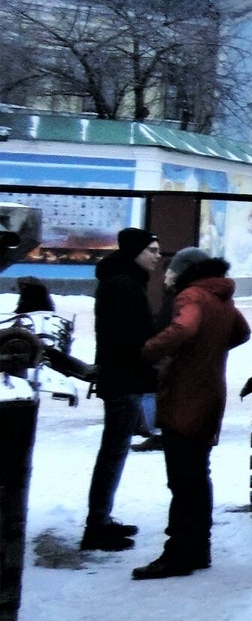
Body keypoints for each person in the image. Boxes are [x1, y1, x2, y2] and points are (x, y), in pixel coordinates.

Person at [131, 248, 249, 580]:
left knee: (182, 480)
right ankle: (199, 549)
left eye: (172, 270)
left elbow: (183, 329)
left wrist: (149, 350)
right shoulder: (220, 296)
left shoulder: (192, 295)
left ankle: (178, 555)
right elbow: (242, 332)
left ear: (185, 272)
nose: (167, 276)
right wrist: (209, 352)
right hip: (210, 394)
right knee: (197, 477)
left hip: (184, 396)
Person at [80, 229, 162, 552]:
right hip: (123, 380)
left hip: (121, 378)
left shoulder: (122, 280)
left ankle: (101, 519)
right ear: (135, 252)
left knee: (113, 451)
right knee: (113, 452)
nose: (157, 256)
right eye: (152, 250)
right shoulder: (124, 285)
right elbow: (130, 338)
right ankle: (97, 525)